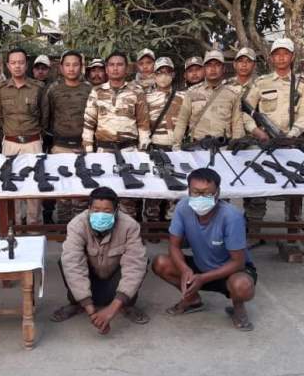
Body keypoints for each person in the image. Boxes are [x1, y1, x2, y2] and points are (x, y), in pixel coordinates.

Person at [152, 167, 257, 331]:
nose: (200, 197)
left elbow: (238, 262)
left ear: (218, 193)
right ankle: (192, 300)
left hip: (231, 270)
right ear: (188, 191)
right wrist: (185, 270)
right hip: (201, 266)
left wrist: (203, 278)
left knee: (242, 286)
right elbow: (173, 245)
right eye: (195, 192)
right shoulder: (183, 207)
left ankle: (238, 306)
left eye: (207, 193)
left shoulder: (232, 217)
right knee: (160, 263)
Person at [242, 38, 304, 243]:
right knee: (258, 185)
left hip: (290, 143)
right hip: (264, 143)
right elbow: (246, 110)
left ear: (292, 56)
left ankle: (292, 236)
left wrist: (292, 135)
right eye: (277, 54)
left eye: (285, 53)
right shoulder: (261, 82)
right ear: (271, 58)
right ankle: (254, 232)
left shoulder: (302, 83)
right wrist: (256, 131)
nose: (281, 57)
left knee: (294, 189)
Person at [52, 186, 149, 332]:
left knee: (141, 262)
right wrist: (92, 313)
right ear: (89, 208)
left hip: (115, 279)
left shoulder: (130, 226)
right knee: (67, 261)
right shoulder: (77, 225)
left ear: (116, 211)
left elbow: (134, 266)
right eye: (96, 210)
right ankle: (78, 303)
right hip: (91, 278)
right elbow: (73, 264)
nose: (101, 215)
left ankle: (125, 305)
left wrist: (111, 311)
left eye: (107, 211)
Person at [82, 51, 151, 217]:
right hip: (103, 151)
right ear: (106, 69)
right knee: (104, 194)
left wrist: (142, 152)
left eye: (119, 65)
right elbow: (89, 124)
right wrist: (89, 153)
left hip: (129, 150)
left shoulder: (137, 91)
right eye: (111, 65)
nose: (115, 68)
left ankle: (128, 229)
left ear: (126, 68)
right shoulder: (96, 91)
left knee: (128, 197)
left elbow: (143, 124)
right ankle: (105, 228)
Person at [0, 48, 46, 226]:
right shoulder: (1, 90)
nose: (17, 66)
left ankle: (33, 226)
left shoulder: (38, 88)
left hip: (33, 142)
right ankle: (15, 225)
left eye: (21, 62)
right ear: (8, 65)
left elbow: (45, 116)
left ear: (27, 65)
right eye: (13, 63)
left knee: (35, 184)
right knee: (11, 184)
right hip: (10, 143)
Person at [42, 49, 91, 223]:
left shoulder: (89, 89)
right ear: (61, 68)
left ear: (81, 67)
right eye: (67, 65)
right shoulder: (53, 89)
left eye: (75, 65)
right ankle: (63, 226)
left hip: (83, 147)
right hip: (60, 146)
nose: (71, 69)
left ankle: (80, 226)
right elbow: (46, 118)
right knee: (62, 190)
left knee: (81, 191)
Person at [143, 57, 189, 222]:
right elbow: (143, 124)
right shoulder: (147, 97)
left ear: (173, 74)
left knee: (175, 195)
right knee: (154, 192)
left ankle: (172, 226)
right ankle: (152, 224)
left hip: (176, 149)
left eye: (167, 72)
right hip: (155, 148)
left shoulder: (184, 96)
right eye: (160, 72)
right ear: (154, 75)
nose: (163, 76)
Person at [173, 50, 244, 145]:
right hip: (197, 147)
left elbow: (237, 124)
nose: (213, 69)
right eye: (209, 65)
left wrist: (236, 145)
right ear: (204, 69)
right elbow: (182, 122)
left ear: (223, 69)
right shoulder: (191, 93)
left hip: (223, 147)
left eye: (217, 65)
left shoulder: (233, 94)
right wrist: (176, 145)